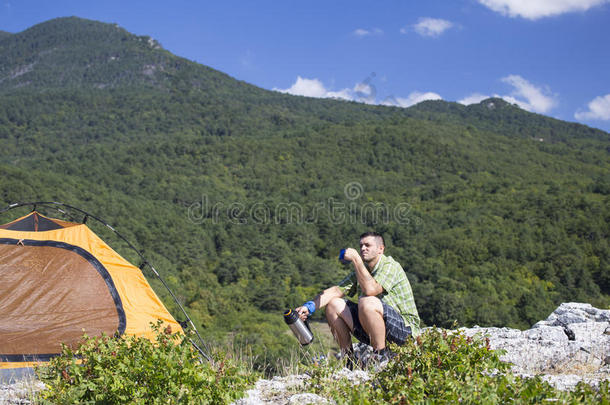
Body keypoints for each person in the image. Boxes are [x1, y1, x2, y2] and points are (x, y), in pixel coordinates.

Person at [296, 231, 420, 366]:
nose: (362, 249)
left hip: (404, 331)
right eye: (361, 245)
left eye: (367, 245)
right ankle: (349, 361)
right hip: (375, 328)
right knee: (333, 305)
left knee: (367, 300)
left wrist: (356, 259)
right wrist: (309, 307)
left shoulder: (390, 266)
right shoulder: (362, 270)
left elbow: (371, 289)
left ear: (381, 249)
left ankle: (380, 357)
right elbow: (337, 290)